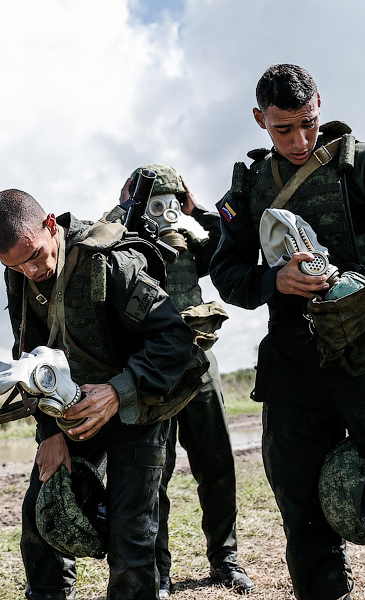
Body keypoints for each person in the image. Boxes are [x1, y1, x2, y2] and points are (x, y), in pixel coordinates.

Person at [209, 64, 365, 598]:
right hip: (293, 366)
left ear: (320, 104)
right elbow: (226, 273)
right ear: (259, 120)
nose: (299, 140)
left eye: (309, 123)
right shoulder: (250, 185)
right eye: (283, 129)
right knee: (301, 507)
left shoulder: (361, 162)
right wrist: (275, 279)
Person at [0, 190, 195, 600]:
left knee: (130, 536)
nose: (31, 271)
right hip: (72, 412)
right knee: (41, 516)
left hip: (137, 409)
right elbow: (33, 359)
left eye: (35, 256)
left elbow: (173, 338)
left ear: (49, 224)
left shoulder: (111, 261)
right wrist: (50, 433)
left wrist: (118, 392)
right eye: (14, 265)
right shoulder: (20, 275)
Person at [110, 164, 253, 597]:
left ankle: (225, 559)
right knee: (156, 475)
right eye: (156, 202)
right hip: (154, 370)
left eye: (172, 201)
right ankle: (160, 572)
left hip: (200, 365)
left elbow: (233, 244)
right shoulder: (123, 247)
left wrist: (197, 210)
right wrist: (123, 211)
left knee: (217, 466)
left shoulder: (190, 243)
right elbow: (90, 250)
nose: (165, 211)